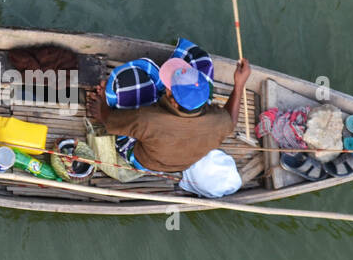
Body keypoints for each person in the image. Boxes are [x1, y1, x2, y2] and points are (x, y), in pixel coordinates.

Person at [85, 57, 252, 173]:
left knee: (131, 76)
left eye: (169, 88)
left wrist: (103, 107)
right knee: (202, 60)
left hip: (145, 161)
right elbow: (231, 118)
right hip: (183, 163)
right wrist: (239, 84)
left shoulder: (147, 120)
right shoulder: (220, 122)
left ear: (173, 102)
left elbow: (109, 122)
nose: (167, 87)